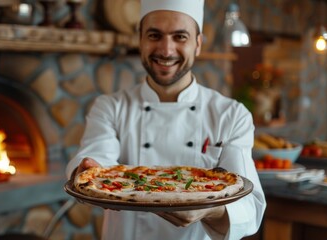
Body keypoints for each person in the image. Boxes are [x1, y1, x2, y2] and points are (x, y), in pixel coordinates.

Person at [66, 0, 266, 239]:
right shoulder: (110, 107)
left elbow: (250, 208)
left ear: (198, 44)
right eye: (154, 35)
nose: (166, 50)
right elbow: (95, 161)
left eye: (180, 36)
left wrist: (211, 209)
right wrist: (88, 168)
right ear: (140, 40)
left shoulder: (232, 115)